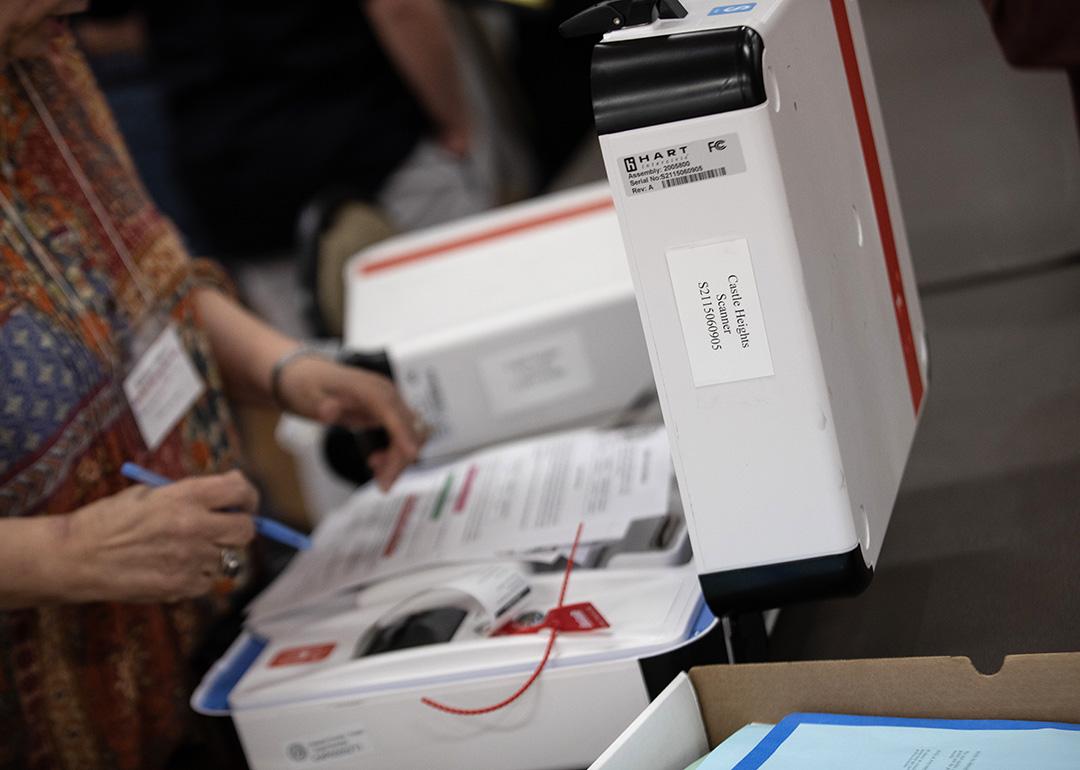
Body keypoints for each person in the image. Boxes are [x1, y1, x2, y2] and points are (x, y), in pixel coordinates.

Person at [0, 2, 425, 768]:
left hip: (203, 639)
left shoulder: (41, 52)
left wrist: (285, 369)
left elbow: (146, 278)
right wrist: (66, 553)